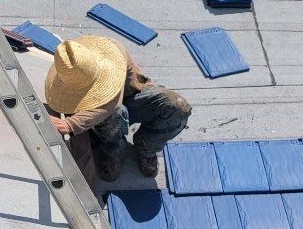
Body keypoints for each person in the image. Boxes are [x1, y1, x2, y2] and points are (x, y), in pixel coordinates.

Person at [44, 36, 192, 186]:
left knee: (177, 107)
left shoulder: (113, 51)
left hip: (132, 96)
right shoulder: (68, 72)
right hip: (105, 110)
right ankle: (114, 153)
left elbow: (111, 103)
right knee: (114, 115)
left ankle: (146, 148)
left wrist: (71, 124)